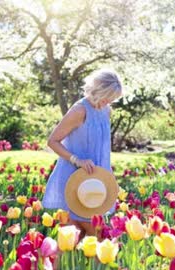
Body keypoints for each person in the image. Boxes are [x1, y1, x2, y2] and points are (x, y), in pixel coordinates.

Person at [42, 69, 123, 239]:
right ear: (97, 90)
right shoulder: (80, 110)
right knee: (87, 236)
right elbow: (52, 141)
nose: (108, 102)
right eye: (106, 97)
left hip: (95, 181)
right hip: (76, 180)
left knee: (80, 237)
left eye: (111, 100)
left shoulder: (106, 111)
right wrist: (76, 160)